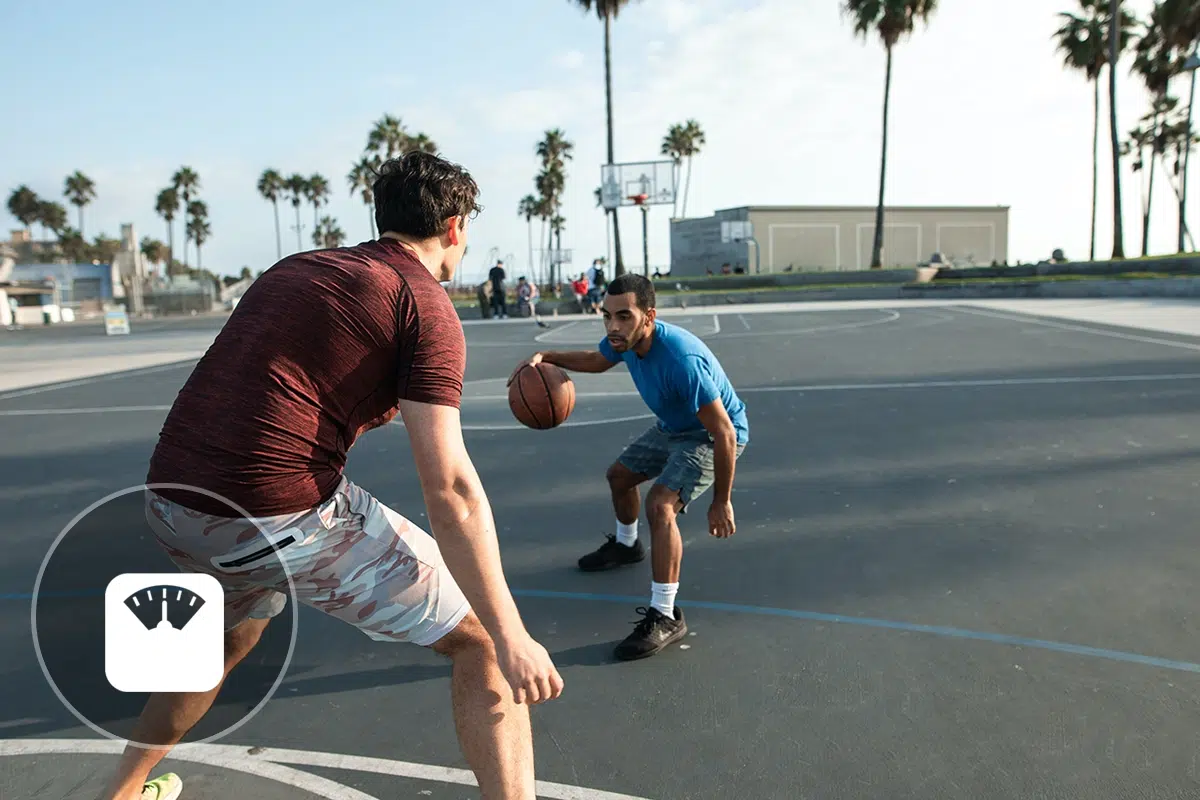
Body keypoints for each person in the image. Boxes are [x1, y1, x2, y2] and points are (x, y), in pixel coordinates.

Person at [101, 151, 563, 800]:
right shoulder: (423, 304)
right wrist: (512, 633)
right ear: (455, 229)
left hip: (176, 504)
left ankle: (119, 792)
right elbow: (451, 490)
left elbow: (260, 387)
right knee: (482, 640)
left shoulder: (299, 268)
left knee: (219, 650)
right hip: (272, 518)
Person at [509, 274, 748, 661]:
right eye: (606, 317)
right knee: (619, 476)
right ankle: (626, 545)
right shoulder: (626, 342)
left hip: (708, 435)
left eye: (623, 316)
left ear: (648, 317)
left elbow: (723, 432)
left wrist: (722, 500)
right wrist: (548, 356)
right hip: (674, 427)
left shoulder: (680, 361)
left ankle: (666, 614)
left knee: (660, 506)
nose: (613, 326)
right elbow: (598, 360)